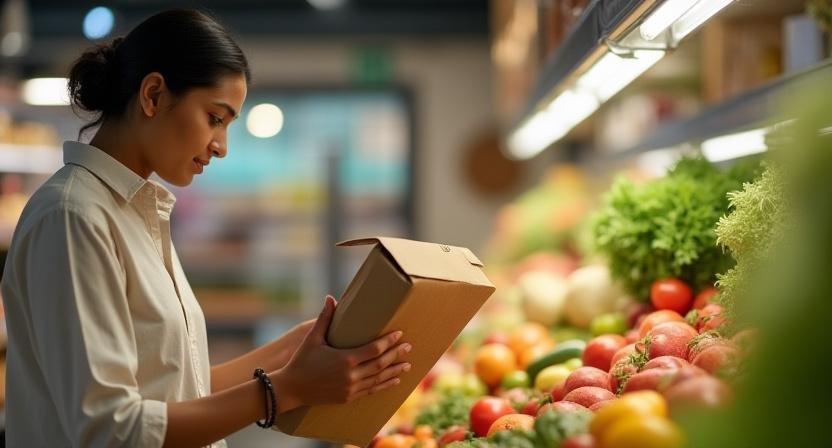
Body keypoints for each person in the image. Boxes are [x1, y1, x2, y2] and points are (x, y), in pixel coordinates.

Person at [0, 9, 411, 447]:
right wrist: (286, 389)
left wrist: (289, 351)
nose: (222, 147)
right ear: (154, 95)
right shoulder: (74, 217)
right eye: (215, 118)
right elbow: (110, 429)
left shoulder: (134, 210)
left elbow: (176, 389)